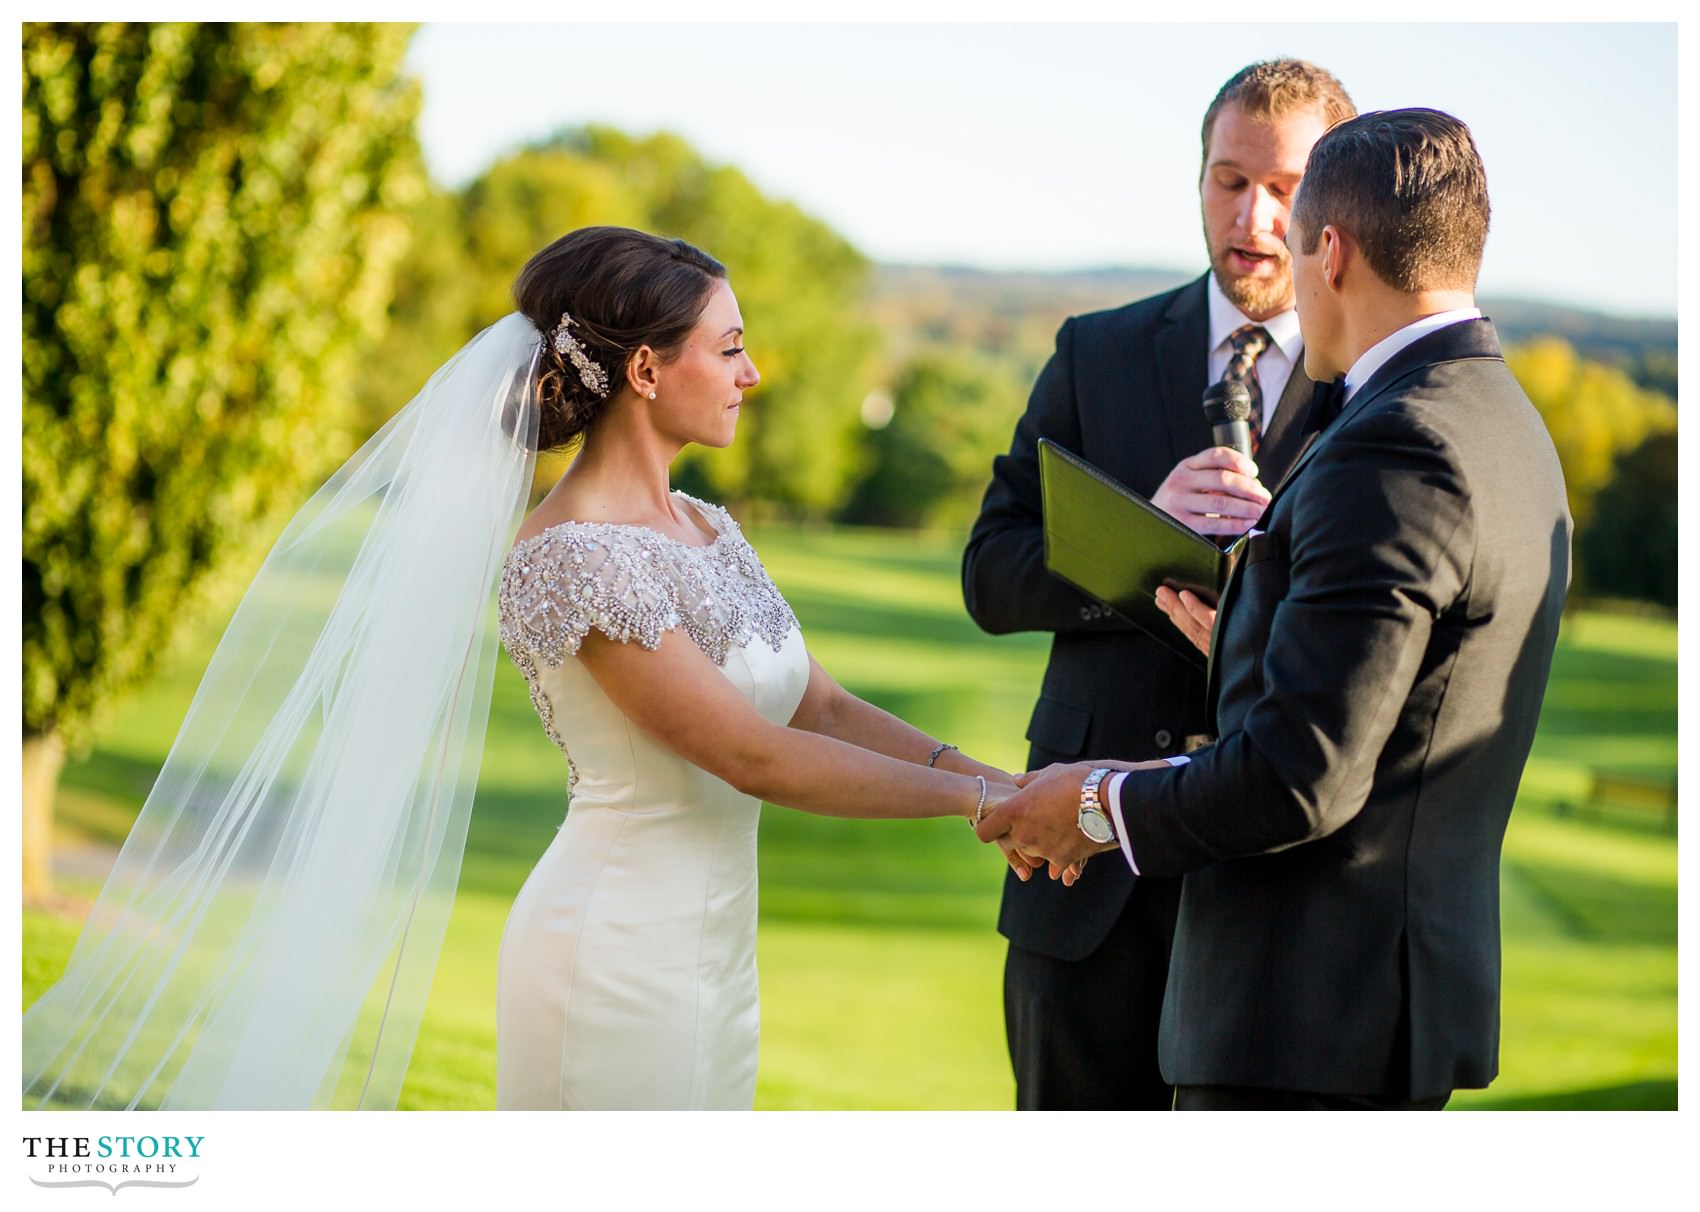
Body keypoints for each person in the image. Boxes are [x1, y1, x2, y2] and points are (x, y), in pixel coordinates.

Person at [22, 225, 1020, 1112]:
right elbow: (751, 757)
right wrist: (986, 808)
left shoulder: (708, 526)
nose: (750, 374)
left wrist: (1002, 781)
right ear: (643, 371)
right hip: (613, 960)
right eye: (727, 349)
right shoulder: (569, 557)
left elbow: (823, 707)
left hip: (718, 957)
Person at [976, 108, 1571, 1111]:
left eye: (1290, 225)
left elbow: (1304, 775)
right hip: (1343, 1004)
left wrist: (1090, 804)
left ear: (1327, 251)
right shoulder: (1501, 419)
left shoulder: (1391, 444)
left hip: (1296, 1013)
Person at [960, 58, 1354, 1110]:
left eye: (1283, 188)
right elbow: (990, 577)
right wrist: (1143, 531)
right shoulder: (1096, 352)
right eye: (1228, 181)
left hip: (1269, 889)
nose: (1253, 215)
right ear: (1197, 182)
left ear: (1334, 208)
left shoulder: (1370, 390)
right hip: (1079, 888)